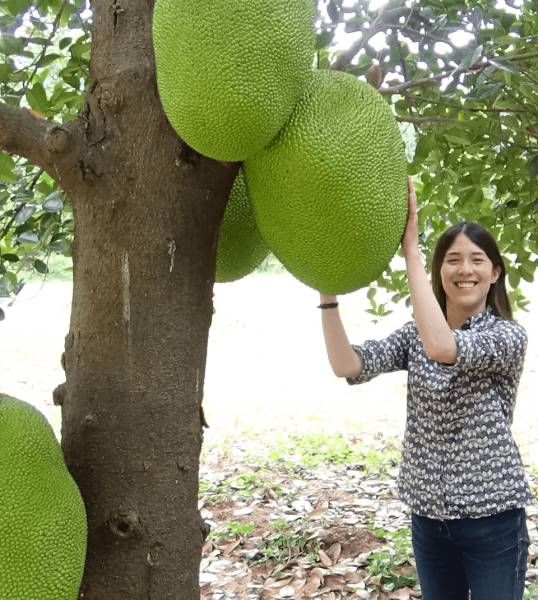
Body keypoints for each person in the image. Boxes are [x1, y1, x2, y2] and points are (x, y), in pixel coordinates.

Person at [319, 178, 532, 600]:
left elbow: (443, 347)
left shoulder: (508, 336)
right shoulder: (414, 335)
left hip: (492, 521)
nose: (464, 270)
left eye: (476, 260)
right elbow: (347, 364)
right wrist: (326, 291)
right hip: (429, 521)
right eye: (452, 259)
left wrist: (410, 247)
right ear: (440, 272)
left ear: (495, 273)